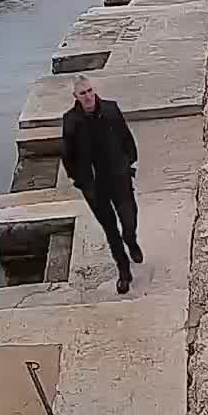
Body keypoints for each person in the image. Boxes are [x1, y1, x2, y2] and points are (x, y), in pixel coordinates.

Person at [61, 75, 142, 294]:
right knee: (110, 230)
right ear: (76, 97)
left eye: (89, 91)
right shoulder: (70, 120)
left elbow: (126, 137)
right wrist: (79, 181)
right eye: (82, 93)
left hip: (118, 178)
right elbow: (67, 155)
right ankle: (123, 271)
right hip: (95, 187)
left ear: (94, 90)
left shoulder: (111, 109)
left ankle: (131, 240)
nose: (87, 96)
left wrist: (128, 162)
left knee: (129, 219)